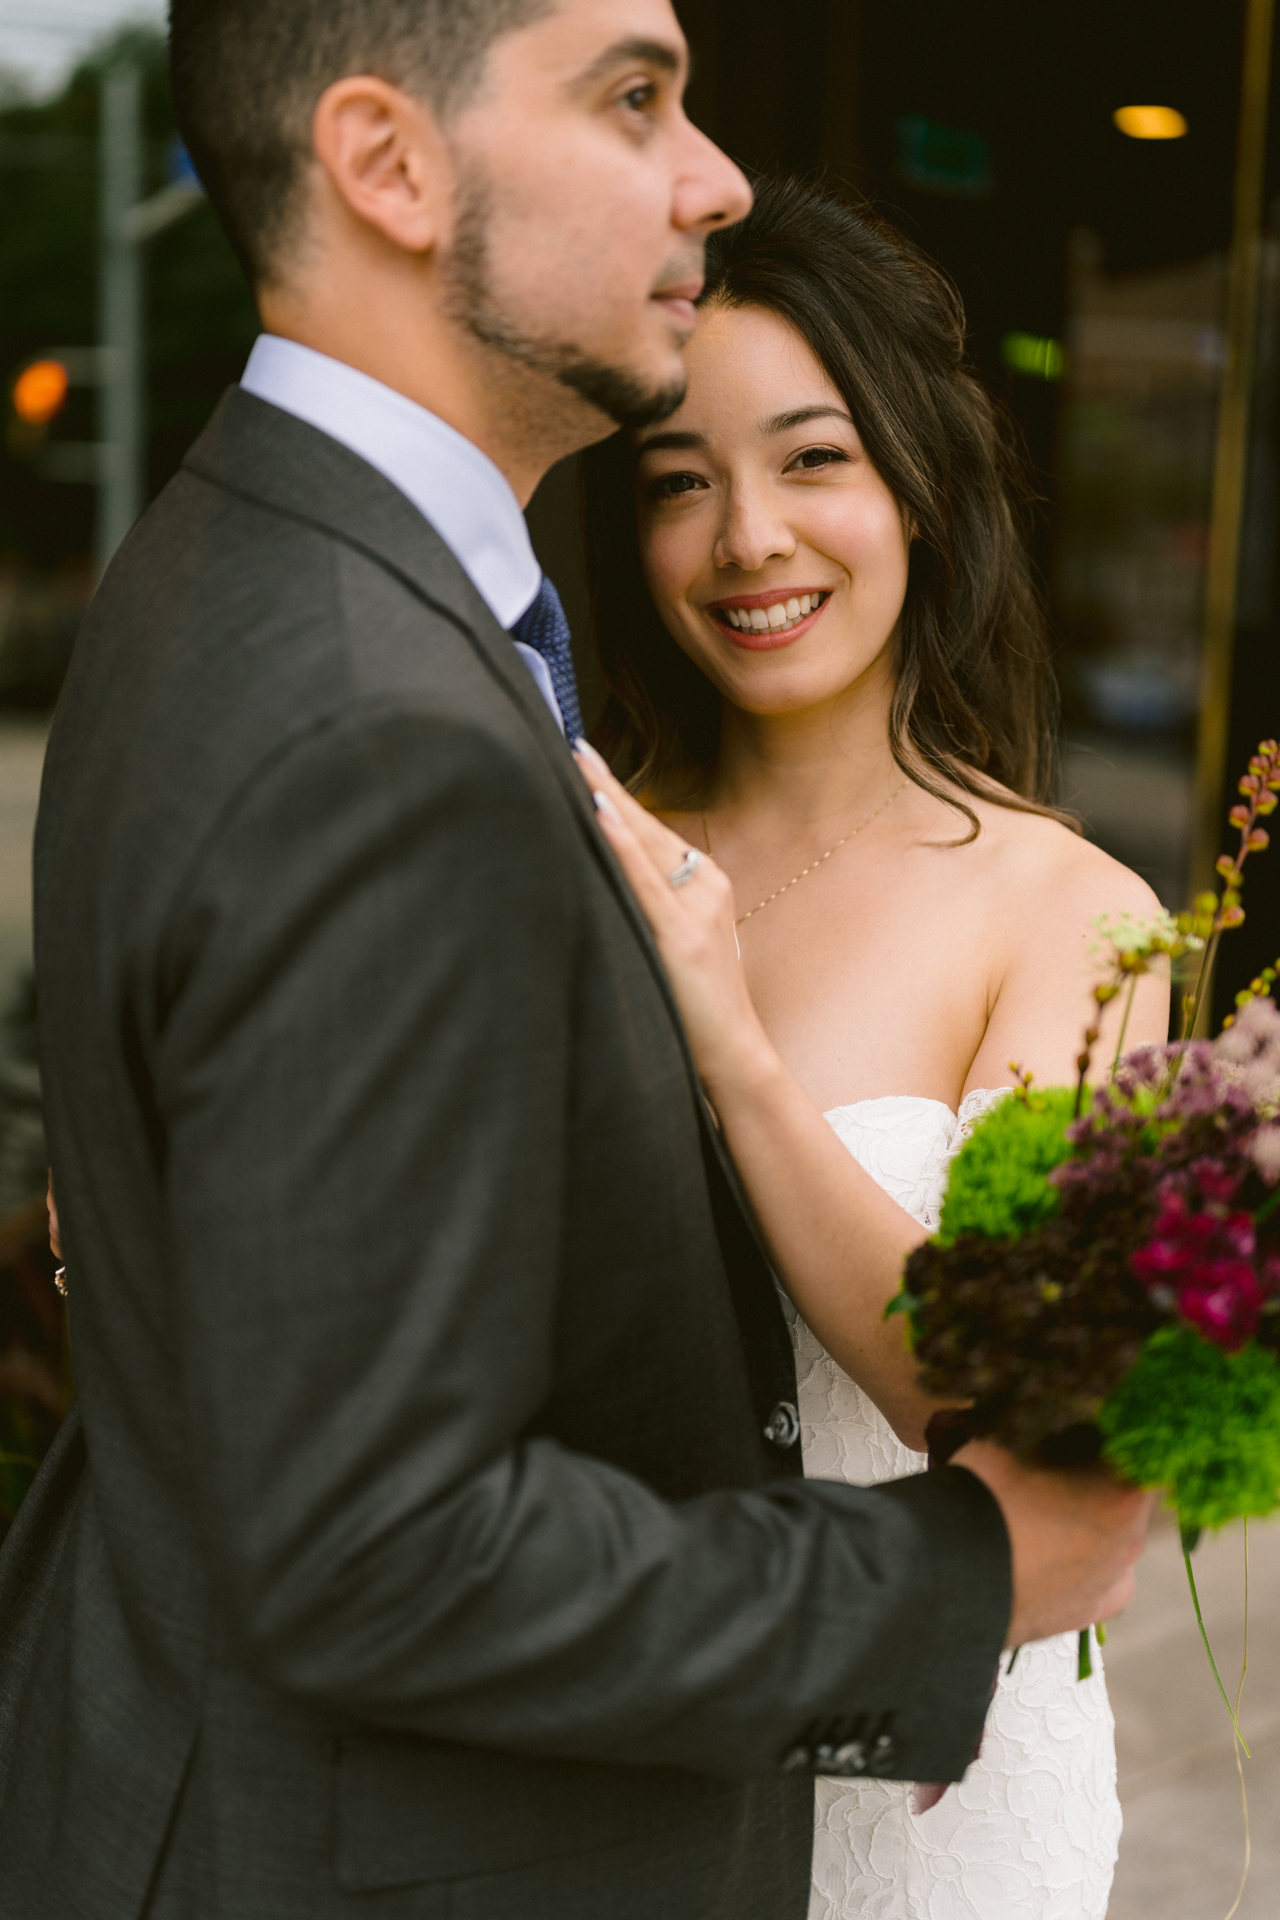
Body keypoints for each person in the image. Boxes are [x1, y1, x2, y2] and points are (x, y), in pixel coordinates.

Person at [0, 10, 1151, 1919]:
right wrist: (953, 1584)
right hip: (427, 1813)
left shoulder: (247, 580)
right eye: (635, 98)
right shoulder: (416, 724)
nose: (705, 172)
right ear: (386, 164)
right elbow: (380, 1531)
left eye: (816, 458)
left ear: (923, 484)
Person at [576, 176, 1171, 1920]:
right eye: (679, 482)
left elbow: (990, 1405)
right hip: (626, 1764)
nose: (748, 536)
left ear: (919, 481)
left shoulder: (1070, 911)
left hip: (939, 1806)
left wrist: (728, 1045)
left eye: (812, 457)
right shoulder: (580, 840)